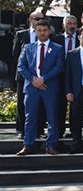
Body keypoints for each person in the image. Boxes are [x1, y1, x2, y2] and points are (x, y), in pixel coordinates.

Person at [16, 20, 65, 155]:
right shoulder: (28, 47)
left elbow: (59, 67)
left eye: (45, 30)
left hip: (50, 87)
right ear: (35, 31)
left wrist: (43, 79)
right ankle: (28, 145)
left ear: (49, 31)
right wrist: (34, 80)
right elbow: (21, 67)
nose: (42, 32)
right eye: (39, 30)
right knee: (30, 118)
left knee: (52, 117)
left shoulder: (58, 48)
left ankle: (51, 145)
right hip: (31, 88)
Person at [12, 11, 46, 139]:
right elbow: (15, 56)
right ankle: (21, 130)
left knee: (41, 102)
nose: (39, 21)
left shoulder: (47, 34)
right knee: (22, 103)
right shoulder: (21, 35)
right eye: (36, 18)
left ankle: (40, 129)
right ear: (30, 19)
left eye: (42, 19)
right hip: (24, 75)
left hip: (41, 76)